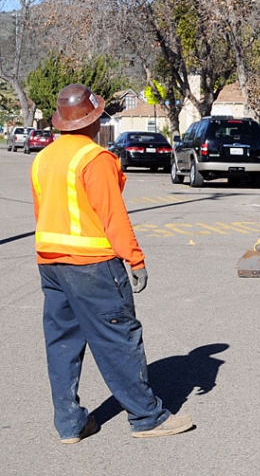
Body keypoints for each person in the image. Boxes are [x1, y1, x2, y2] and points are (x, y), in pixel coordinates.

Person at [32, 84, 194, 443]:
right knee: (118, 339)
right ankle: (147, 417)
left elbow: (44, 212)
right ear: (92, 120)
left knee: (61, 344)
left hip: (51, 263)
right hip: (92, 266)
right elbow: (113, 217)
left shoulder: (44, 158)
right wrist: (135, 260)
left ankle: (70, 424)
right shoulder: (95, 159)